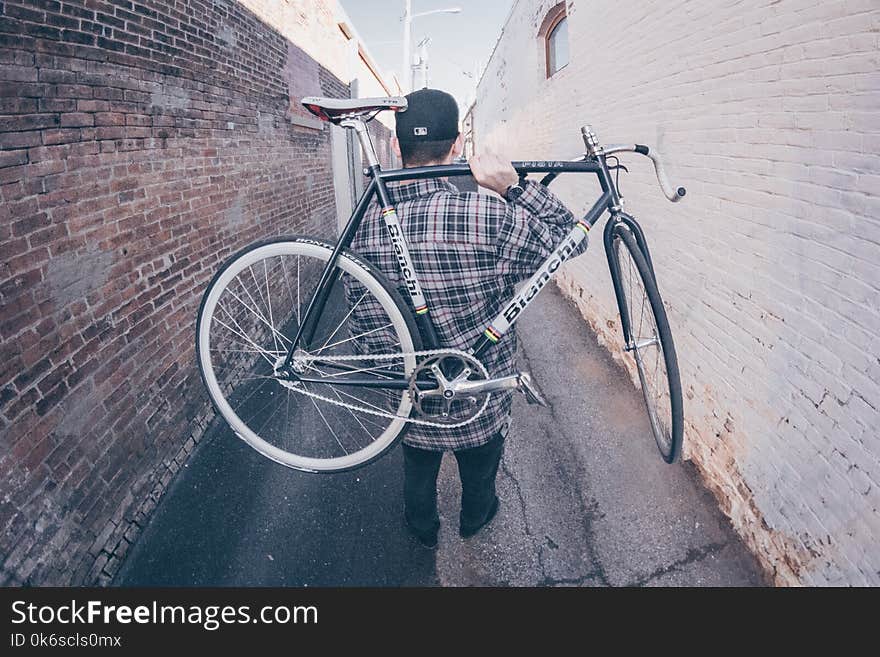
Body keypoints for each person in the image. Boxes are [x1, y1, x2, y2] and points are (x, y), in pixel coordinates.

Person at [349, 88, 584, 548]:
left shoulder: (366, 224)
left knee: (417, 472)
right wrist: (514, 187)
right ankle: (475, 518)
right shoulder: (486, 215)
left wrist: (389, 374)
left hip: (414, 402)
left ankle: (422, 527)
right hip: (482, 395)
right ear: (457, 145)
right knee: (481, 471)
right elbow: (572, 238)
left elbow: (362, 322)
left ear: (397, 147)